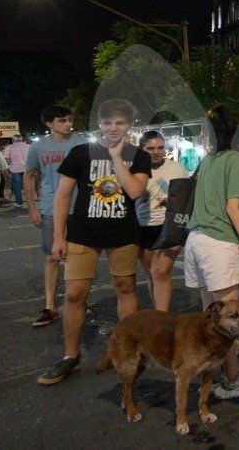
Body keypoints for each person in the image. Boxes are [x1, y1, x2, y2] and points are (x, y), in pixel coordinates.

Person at [37, 99, 151, 385]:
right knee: (75, 293)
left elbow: (136, 191)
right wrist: (58, 236)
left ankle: (127, 350)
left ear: (129, 125)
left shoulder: (137, 155)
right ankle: (70, 357)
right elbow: (62, 195)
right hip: (82, 232)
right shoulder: (80, 152)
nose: (114, 127)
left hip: (122, 232)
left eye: (120, 122)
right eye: (108, 122)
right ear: (99, 124)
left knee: (125, 287)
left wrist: (115, 159)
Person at [182, 105, 239, 399]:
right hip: (218, 244)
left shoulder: (208, 160)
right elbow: (233, 208)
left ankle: (215, 376)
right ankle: (232, 379)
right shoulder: (236, 160)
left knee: (213, 320)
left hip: (195, 241)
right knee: (230, 321)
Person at [24, 105, 80, 328]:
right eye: (62, 120)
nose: (68, 124)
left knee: (77, 255)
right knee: (52, 256)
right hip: (49, 206)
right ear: (49, 123)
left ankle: (75, 300)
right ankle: (49, 306)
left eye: (69, 119)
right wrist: (32, 207)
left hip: (79, 207)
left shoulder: (81, 142)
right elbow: (29, 176)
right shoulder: (38, 148)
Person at [135, 130, 189, 311]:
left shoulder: (177, 168)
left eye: (160, 148)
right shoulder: (133, 169)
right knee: (152, 274)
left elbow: (187, 197)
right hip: (142, 225)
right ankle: (158, 316)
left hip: (170, 226)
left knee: (161, 272)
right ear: (141, 149)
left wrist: (172, 203)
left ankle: (163, 317)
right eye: (150, 148)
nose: (156, 152)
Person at [3, 134, 30, 208]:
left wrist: (8, 166)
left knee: (17, 187)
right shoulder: (28, 147)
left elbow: (6, 159)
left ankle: (19, 202)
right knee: (28, 186)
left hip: (15, 169)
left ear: (12, 140)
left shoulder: (9, 148)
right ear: (21, 139)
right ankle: (30, 202)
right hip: (27, 169)